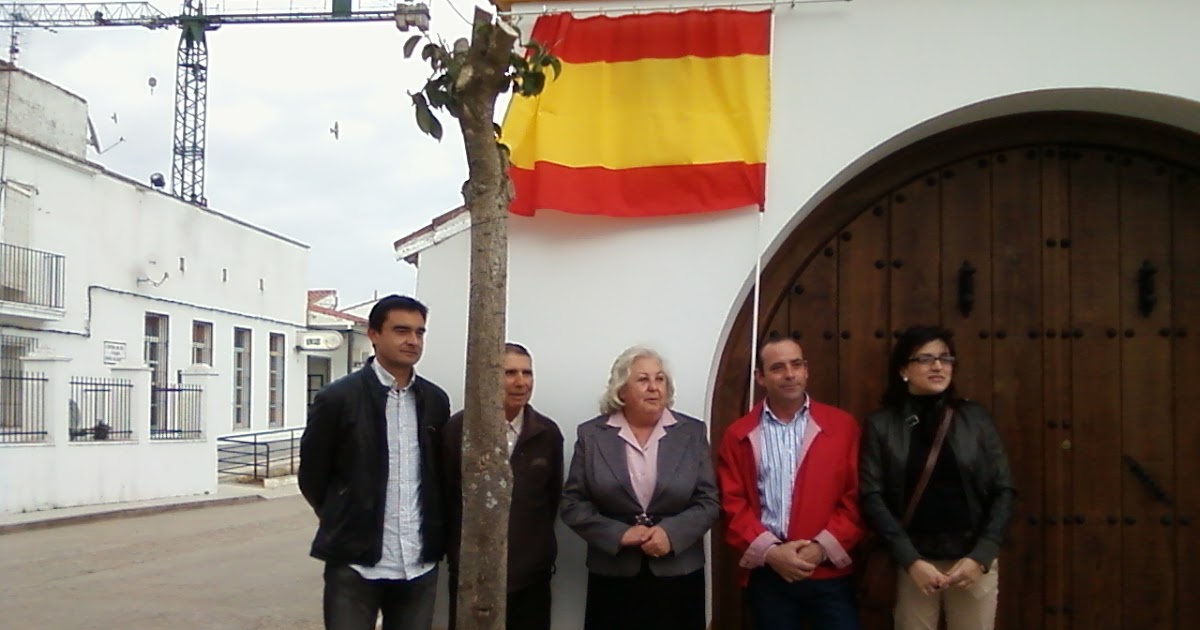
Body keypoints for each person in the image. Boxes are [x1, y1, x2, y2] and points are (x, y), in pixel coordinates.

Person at [299, 295, 452, 630]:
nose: (412, 340)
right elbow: (312, 476)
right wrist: (345, 517)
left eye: (419, 332)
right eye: (401, 330)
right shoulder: (337, 398)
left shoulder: (436, 401)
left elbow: (440, 475)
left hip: (418, 562)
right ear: (374, 334)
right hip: (355, 564)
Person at [859, 325, 1015, 630]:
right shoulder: (882, 424)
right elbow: (872, 495)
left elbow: (1004, 489)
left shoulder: (975, 418)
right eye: (926, 358)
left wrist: (982, 555)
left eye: (945, 358)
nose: (938, 366)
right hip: (914, 563)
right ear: (903, 369)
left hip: (971, 561)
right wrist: (910, 561)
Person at [561, 346, 719, 630]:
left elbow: (708, 501)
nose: (654, 388)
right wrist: (620, 534)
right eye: (643, 380)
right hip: (614, 574)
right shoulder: (592, 435)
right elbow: (573, 504)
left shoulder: (692, 432)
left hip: (678, 571)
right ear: (621, 390)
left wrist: (670, 534)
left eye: (660, 379)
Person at [716, 336, 865, 630]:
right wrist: (772, 553)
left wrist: (820, 549)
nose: (789, 374)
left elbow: (856, 497)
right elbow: (732, 505)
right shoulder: (740, 434)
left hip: (829, 574)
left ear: (806, 369)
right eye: (777, 367)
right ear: (760, 377)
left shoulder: (841, 426)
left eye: (796, 364)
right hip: (771, 576)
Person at [443, 343, 564, 630]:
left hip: (530, 576)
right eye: (509, 373)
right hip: (472, 575)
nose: (521, 382)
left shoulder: (546, 434)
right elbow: (447, 496)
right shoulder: (459, 430)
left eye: (527, 373)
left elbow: (550, 501)